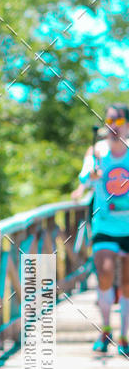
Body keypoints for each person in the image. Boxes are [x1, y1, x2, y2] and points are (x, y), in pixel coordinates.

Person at [72, 104, 129, 355]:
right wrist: (86, 182)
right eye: (109, 120)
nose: (113, 126)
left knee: (127, 282)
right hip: (104, 224)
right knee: (105, 273)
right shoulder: (97, 151)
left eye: (118, 121)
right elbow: (84, 177)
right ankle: (105, 328)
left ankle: (124, 335)